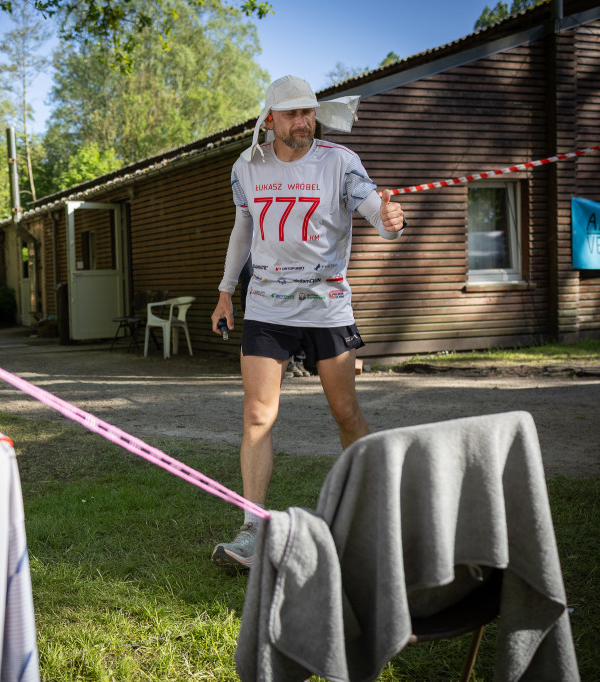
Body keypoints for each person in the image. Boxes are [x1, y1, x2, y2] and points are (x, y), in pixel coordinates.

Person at [210, 75, 406, 569]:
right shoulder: (247, 166)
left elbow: (376, 213)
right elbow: (242, 228)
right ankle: (253, 528)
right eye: (293, 114)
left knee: (345, 411)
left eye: (309, 112)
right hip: (267, 306)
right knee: (257, 415)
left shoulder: (340, 161)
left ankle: (374, 512)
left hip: (327, 306)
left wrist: (390, 222)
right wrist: (225, 292)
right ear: (270, 119)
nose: (303, 122)